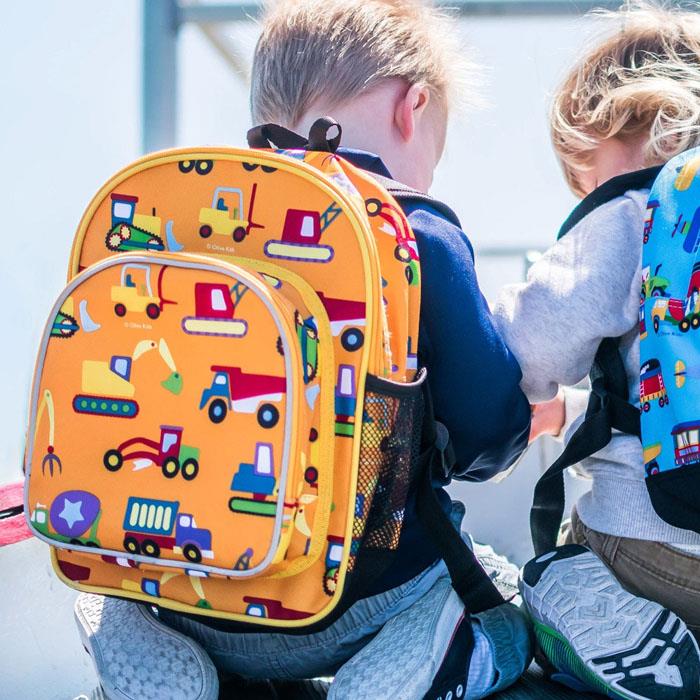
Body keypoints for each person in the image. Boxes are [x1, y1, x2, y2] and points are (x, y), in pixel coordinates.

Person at [74, 1, 534, 699]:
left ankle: (137, 631)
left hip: (180, 588)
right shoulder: (413, 228)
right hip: (360, 599)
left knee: (150, 591)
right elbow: (486, 431)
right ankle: (415, 659)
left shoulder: (181, 223)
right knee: (504, 613)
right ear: (412, 108)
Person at [493, 4, 700, 698]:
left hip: (650, 553)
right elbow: (670, 390)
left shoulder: (632, 208)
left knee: (554, 571)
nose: (583, 193)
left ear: (618, 124)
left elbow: (531, 345)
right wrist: (572, 413)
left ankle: (602, 631)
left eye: (582, 172)